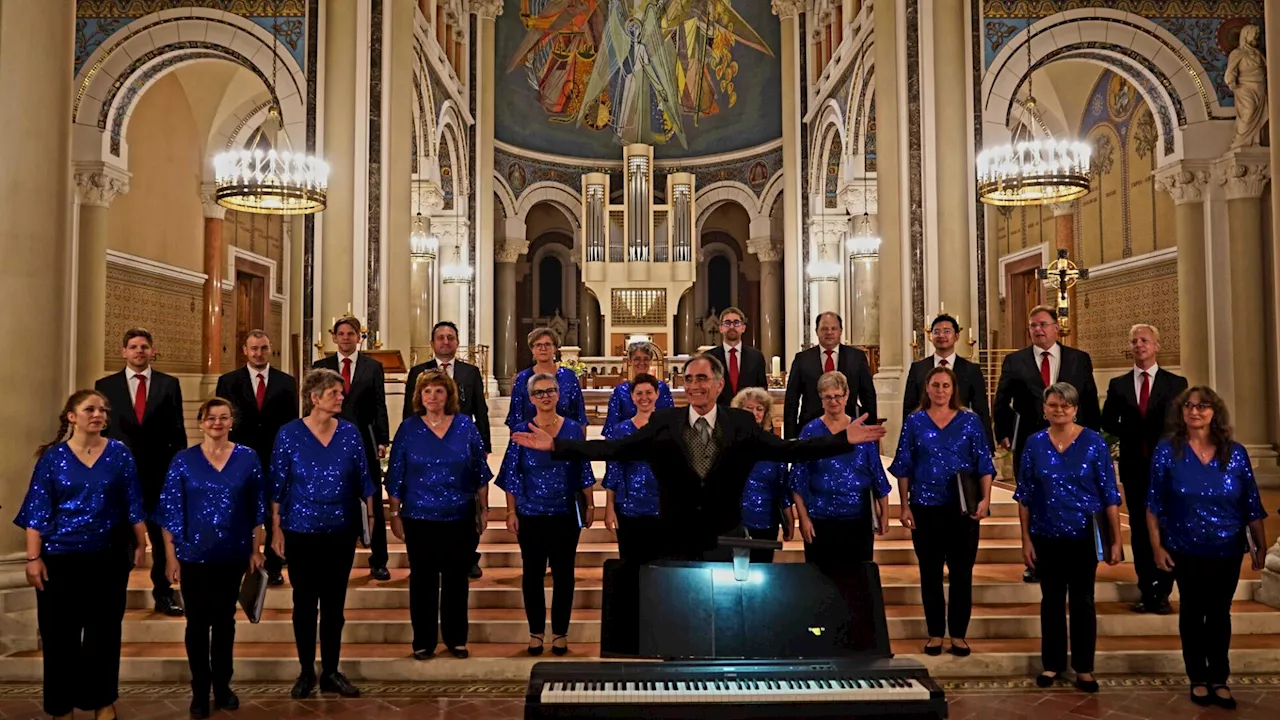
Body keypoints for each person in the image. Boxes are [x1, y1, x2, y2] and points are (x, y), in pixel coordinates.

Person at [512, 354, 887, 561]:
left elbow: (790, 450)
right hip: (676, 537)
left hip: (726, 536)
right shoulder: (664, 422)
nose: (694, 385)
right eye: (688, 379)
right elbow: (612, 448)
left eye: (702, 379)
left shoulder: (740, 423)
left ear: (719, 385)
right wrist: (557, 446)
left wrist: (842, 439)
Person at [15, 390, 147, 720]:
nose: (98, 414)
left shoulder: (120, 454)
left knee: (104, 635)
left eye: (103, 409)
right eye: (90, 409)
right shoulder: (52, 458)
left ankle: (102, 701)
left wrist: (142, 543)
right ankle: (62, 707)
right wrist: (33, 559)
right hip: (58, 561)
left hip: (108, 558)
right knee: (60, 637)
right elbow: (36, 512)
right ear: (72, 416)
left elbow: (133, 504)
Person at [1146, 386, 1268, 709]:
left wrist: (1261, 544)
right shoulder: (1166, 451)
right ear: (1181, 412)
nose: (1195, 411)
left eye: (1202, 406)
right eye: (1189, 405)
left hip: (1227, 548)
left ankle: (1219, 678)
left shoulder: (1236, 452)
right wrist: (1157, 548)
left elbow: (1251, 504)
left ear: (1215, 412)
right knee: (1191, 611)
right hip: (1184, 547)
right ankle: (1197, 677)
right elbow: (1153, 505)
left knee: (1218, 614)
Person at [155, 398, 267, 719]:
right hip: (193, 554)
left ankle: (223, 686)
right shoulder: (183, 460)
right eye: (211, 418)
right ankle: (200, 691)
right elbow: (170, 512)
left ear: (232, 421)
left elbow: (257, 509)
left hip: (232, 554)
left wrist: (256, 549)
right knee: (196, 624)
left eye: (223, 417)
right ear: (201, 423)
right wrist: (170, 556)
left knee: (225, 623)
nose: (217, 423)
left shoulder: (248, 458)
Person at [270, 369, 376, 699]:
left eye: (341, 393)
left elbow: (364, 479)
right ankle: (305, 672)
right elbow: (276, 485)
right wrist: (275, 529)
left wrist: (370, 519)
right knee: (304, 604)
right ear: (315, 398)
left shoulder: (350, 433)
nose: (341, 397)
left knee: (334, 605)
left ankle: (331, 670)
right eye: (334, 393)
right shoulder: (288, 434)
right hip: (300, 530)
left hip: (340, 530)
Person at [1015, 382, 1122, 694]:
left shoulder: (1093, 443)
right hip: (1045, 533)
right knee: (1050, 601)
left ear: (1076, 408)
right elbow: (1025, 496)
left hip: (1083, 535)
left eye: (1065, 405)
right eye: (1053, 405)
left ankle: (1084, 668)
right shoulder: (1034, 444)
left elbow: (1109, 495)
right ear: (1045, 409)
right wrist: (1025, 539)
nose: (1059, 410)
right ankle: (1052, 664)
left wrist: (1115, 539)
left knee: (1083, 601)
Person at [890, 366, 995, 658]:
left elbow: (984, 463)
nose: (940, 391)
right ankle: (935, 632)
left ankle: (958, 634)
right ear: (927, 388)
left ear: (953, 389)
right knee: (930, 573)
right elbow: (903, 465)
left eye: (945, 386)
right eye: (935, 385)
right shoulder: (914, 421)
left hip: (963, 510)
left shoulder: (970, 421)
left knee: (962, 574)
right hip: (925, 508)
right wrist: (904, 504)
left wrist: (985, 499)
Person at [386, 370, 492, 661]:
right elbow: (396, 474)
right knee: (423, 580)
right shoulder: (408, 428)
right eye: (427, 392)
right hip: (419, 517)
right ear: (419, 397)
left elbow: (479, 473)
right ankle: (423, 641)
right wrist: (395, 513)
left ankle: (456, 639)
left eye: (438, 391)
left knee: (457, 580)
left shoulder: (465, 427)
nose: (432, 397)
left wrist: (483, 509)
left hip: (459, 515)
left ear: (449, 395)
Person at [994, 306, 1100, 582]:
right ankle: (1035, 560)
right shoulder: (1015, 361)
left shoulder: (1079, 359)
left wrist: (1093, 437)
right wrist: (1003, 432)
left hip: (1075, 444)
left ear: (1056, 327)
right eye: (1032, 326)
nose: (1038, 329)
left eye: (1043, 324)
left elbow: (1089, 399)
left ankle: (1075, 559)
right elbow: (1002, 400)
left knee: (1071, 498)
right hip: (1032, 442)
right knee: (1033, 500)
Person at [497, 372, 596, 657]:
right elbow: (512, 475)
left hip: (566, 512)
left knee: (565, 575)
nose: (545, 396)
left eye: (550, 390)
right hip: (530, 513)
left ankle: (561, 634)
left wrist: (590, 505)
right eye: (539, 392)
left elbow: (583, 470)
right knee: (533, 574)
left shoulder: (574, 430)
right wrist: (511, 511)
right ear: (530, 398)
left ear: (558, 394)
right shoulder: (521, 430)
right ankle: (536, 633)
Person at [96, 327, 189, 616]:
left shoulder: (168, 384)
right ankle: (113, 595)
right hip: (119, 477)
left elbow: (178, 431)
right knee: (119, 536)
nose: (139, 351)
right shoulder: (105, 385)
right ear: (123, 352)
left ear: (152, 350)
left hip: (159, 475)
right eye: (133, 346)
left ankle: (163, 593)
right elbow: (102, 431)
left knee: (162, 542)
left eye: (144, 346)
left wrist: (178, 471)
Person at [1100, 324, 1186, 615]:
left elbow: (1181, 425)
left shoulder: (1176, 383)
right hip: (1134, 466)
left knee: (1165, 524)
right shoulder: (1119, 384)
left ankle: (1163, 591)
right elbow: (1109, 423)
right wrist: (1130, 431)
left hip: (1167, 466)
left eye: (1144, 340)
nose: (1139, 345)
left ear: (1156, 346)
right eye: (1134, 341)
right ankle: (1146, 588)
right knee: (1138, 526)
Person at [403, 320, 492, 579]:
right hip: (426, 446)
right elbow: (410, 411)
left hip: (461, 447)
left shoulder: (470, 372)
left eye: (450, 337)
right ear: (432, 343)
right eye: (440, 337)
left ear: (456, 342)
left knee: (467, 501)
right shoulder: (418, 372)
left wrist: (484, 445)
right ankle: (423, 561)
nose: (445, 341)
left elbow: (480, 411)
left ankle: (468, 557)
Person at [215, 330, 298, 586]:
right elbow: (221, 422)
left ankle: (274, 565)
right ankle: (242, 563)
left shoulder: (286, 382)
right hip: (239, 457)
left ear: (270, 348)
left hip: (275, 456)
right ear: (245, 351)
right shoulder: (228, 381)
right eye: (254, 349)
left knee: (275, 512)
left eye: (263, 348)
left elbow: (291, 423)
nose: (259, 353)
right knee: (242, 511)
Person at [313, 316, 391, 581]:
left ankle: (379, 559)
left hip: (363, 438)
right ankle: (327, 558)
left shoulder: (373, 367)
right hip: (326, 440)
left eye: (351, 333)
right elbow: (311, 405)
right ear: (334, 337)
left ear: (359, 337)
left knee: (372, 499)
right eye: (341, 333)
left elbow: (380, 404)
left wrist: (382, 439)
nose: (346, 338)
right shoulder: (320, 366)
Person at [789, 371, 892, 575]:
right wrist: (804, 519)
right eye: (828, 397)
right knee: (820, 582)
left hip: (858, 520)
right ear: (821, 398)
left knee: (857, 580)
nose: (833, 401)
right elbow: (798, 478)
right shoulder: (810, 431)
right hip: (820, 519)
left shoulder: (861, 430)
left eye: (838, 396)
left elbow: (877, 474)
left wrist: (885, 514)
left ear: (846, 396)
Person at [901, 313, 991, 447]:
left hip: (961, 438)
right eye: (936, 332)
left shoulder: (971, 370)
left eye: (947, 331)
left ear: (956, 336)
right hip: (925, 438)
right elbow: (909, 406)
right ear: (931, 337)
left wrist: (988, 445)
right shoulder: (918, 368)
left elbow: (981, 409)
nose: (941, 335)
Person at [783, 311, 878, 438]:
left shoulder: (856, 357)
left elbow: (868, 396)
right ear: (817, 331)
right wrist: (791, 438)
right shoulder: (802, 359)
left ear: (840, 331)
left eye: (834, 328)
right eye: (824, 329)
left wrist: (869, 429)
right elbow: (791, 400)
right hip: (811, 430)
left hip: (848, 429)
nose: (829, 332)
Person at [602, 373, 664, 565]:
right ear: (631, 396)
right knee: (630, 563)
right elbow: (613, 470)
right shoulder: (620, 430)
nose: (644, 398)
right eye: (639, 393)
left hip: (661, 506)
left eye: (648, 392)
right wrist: (609, 508)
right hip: (628, 506)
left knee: (658, 566)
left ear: (657, 394)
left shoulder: (667, 427)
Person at [732, 387, 794, 563]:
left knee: (762, 577)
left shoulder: (773, 445)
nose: (754, 413)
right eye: (749, 408)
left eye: (759, 409)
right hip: (734, 523)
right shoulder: (728, 442)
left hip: (766, 523)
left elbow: (783, 488)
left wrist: (788, 521)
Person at [506, 327, 587, 428]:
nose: (543, 348)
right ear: (532, 349)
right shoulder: (522, 378)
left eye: (548, 344)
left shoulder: (569, 376)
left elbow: (580, 415)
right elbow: (515, 417)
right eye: (538, 345)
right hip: (530, 437)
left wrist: (580, 443)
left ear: (555, 348)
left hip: (565, 438)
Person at [603, 341, 675, 438]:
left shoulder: (662, 388)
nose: (642, 363)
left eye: (646, 359)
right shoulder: (620, 391)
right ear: (630, 361)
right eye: (637, 359)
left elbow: (670, 419)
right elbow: (611, 429)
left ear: (651, 361)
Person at [706, 307, 768, 405]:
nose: (731, 327)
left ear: (743, 328)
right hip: (719, 413)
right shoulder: (709, 357)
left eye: (736, 323)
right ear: (720, 328)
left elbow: (762, 391)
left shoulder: (756, 357)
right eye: (727, 323)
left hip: (747, 413)